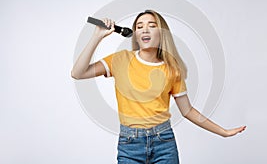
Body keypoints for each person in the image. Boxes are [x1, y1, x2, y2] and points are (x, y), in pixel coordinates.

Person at [71, 10, 246, 163]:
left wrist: (223, 132)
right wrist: (97, 36)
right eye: (139, 26)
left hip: (164, 143)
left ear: (161, 32)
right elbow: (77, 73)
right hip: (129, 145)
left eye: (151, 25)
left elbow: (188, 111)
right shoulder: (120, 59)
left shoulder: (172, 69)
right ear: (135, 34)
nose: (144, 29)